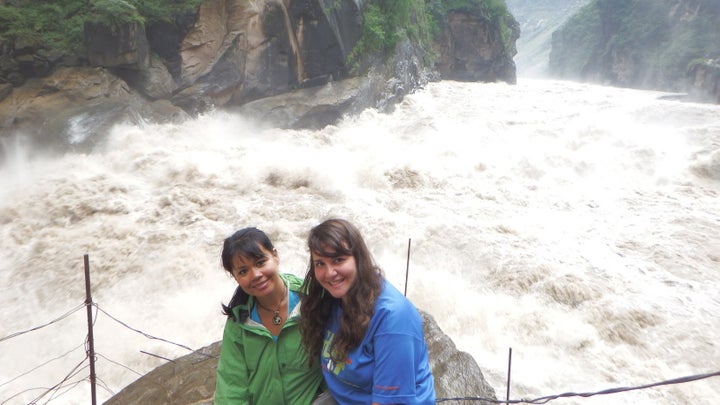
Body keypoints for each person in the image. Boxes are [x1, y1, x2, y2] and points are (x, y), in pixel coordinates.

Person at [299, 218, 436, 405]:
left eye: (338, 260)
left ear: (359, 259)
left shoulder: (393, 318)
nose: (329, 273)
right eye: (320, 263)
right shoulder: (329, 297)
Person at [214, 227, 325, 404]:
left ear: (275, 255)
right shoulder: (239, 322)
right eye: (243, 271)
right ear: (234, 276)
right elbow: (231, 388)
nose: (256, 275)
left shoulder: (312, 301)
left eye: (260, 262)